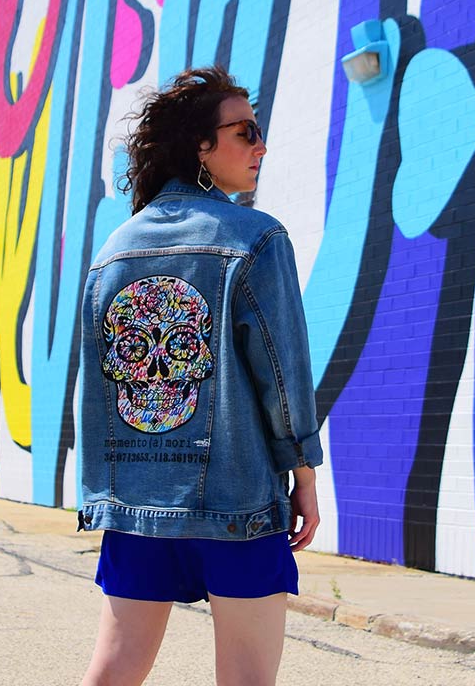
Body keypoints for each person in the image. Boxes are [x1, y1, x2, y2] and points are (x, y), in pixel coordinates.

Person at [77, 66, 322, 686]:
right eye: (246, 132)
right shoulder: (256, 238)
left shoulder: (113, 251)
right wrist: (303, 472)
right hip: (237, 503)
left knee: (112, 672)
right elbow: (282, 374)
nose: (261, 145)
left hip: (136, 505)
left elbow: (99, 387)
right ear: (200, 146)